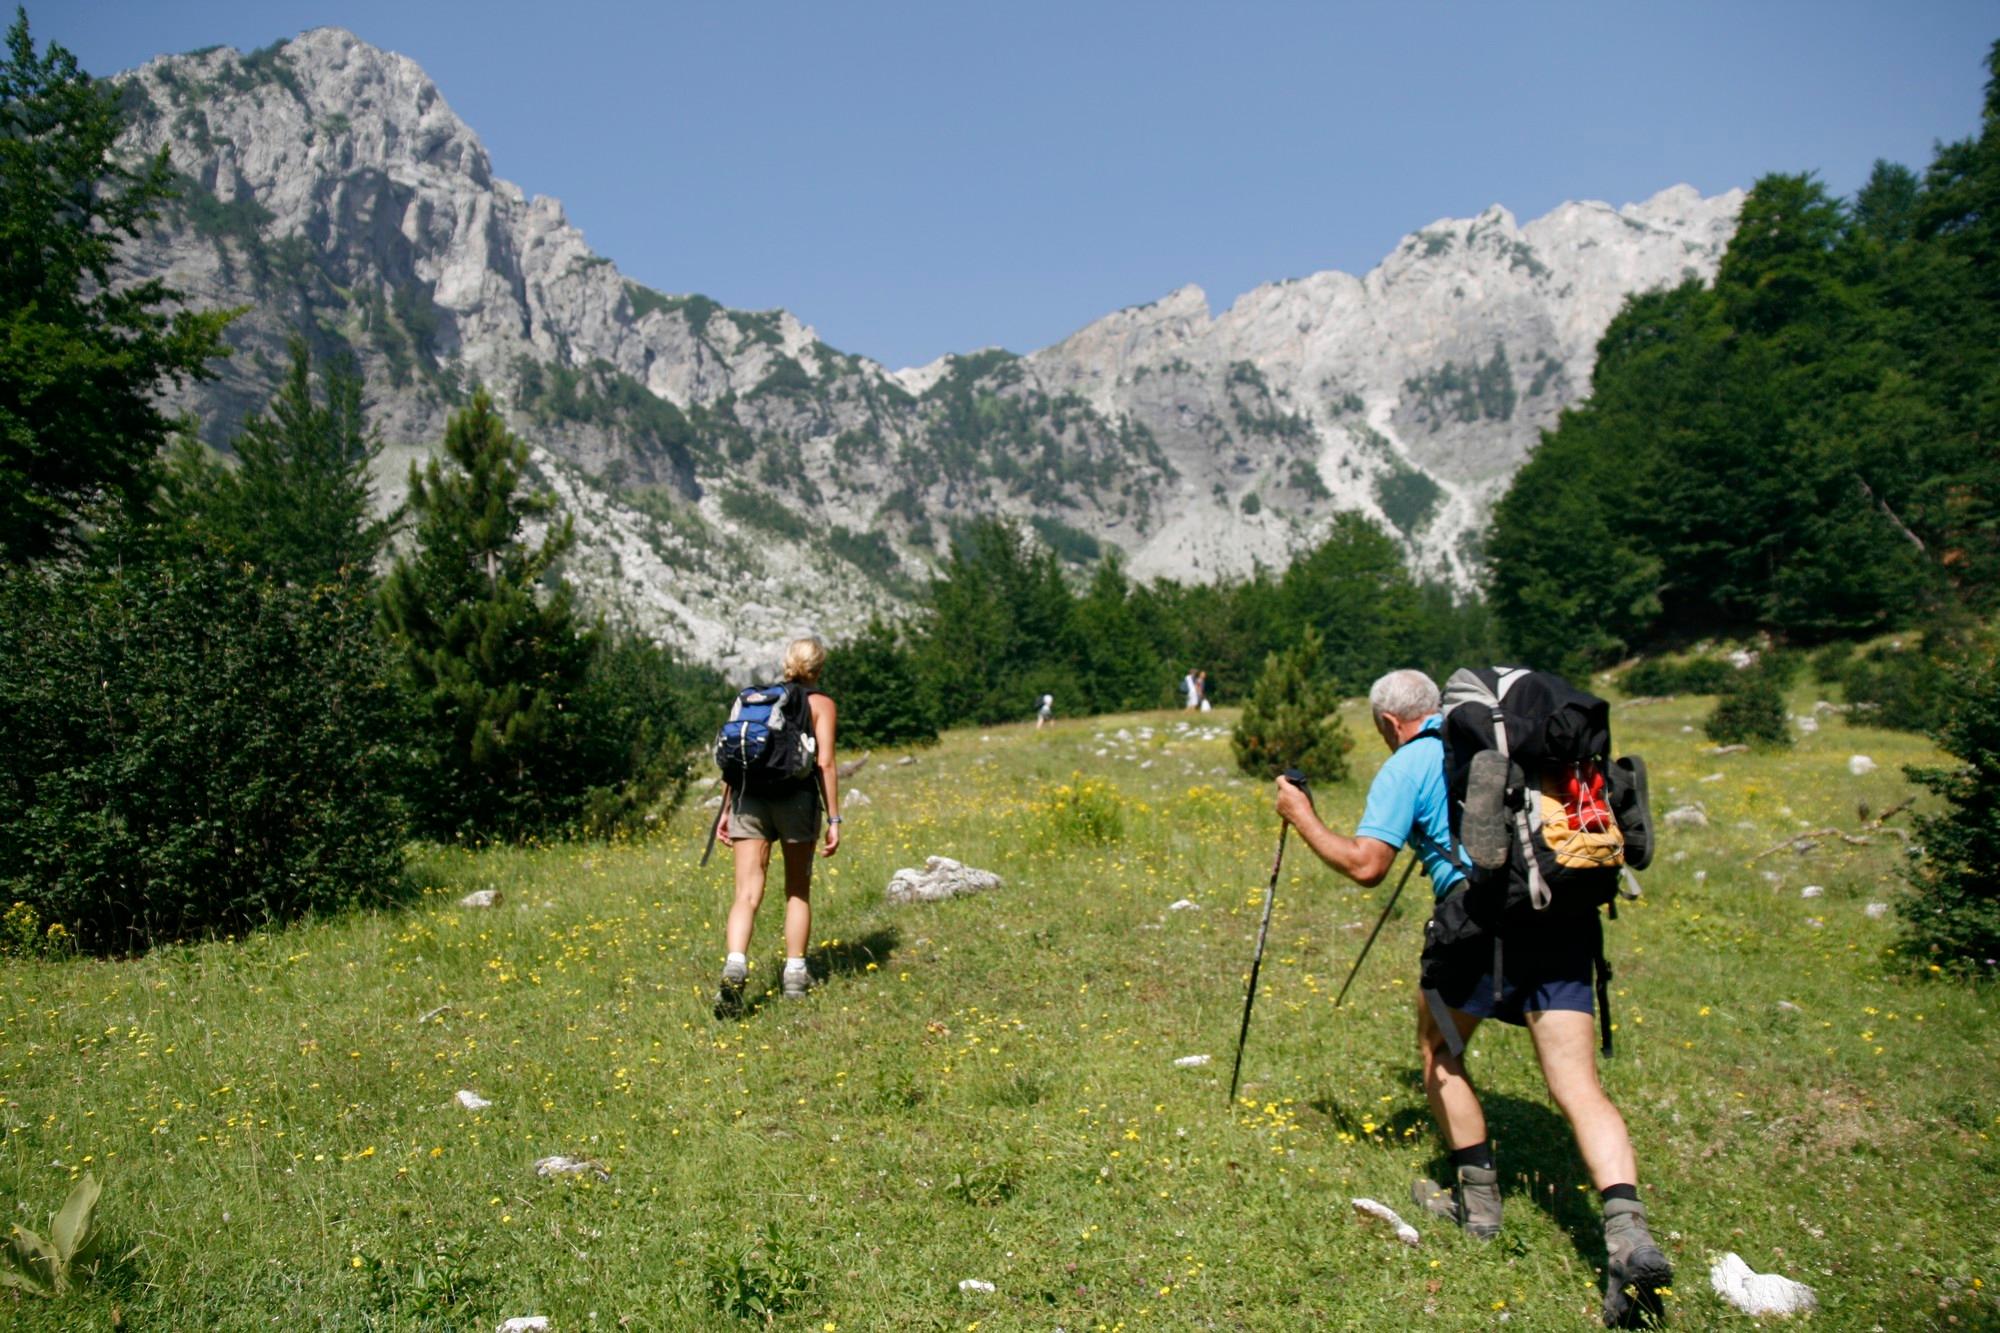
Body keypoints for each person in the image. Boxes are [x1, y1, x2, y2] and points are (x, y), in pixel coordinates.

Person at [1273, 668, 1671, 1328]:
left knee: (1440, 1050)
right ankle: (1629, 1236)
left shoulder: (1413, 760)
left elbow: (1366, 865)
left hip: (1480, 924)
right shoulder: (1519, 749)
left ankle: (1478, 1206)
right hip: (1563, 912)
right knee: (1578, 1086)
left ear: (1388, 722)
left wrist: (1301, 813)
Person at [713, 637, 842, 1016]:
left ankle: (735, 963)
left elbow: (736, 763)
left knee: (746, 894)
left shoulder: (757, 700)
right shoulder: (821, 704)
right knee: (797, 891)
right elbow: (826, 764)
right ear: (819, 667)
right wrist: (834, 819)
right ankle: (795, 976)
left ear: (787, 663)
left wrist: (725, 811)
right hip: (796, 801)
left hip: (747, 799)